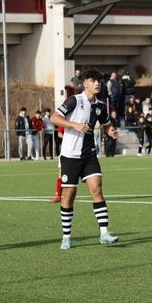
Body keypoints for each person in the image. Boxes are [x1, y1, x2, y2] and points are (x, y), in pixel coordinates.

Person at [51, 68, 120, 249]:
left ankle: (104, 233)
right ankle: (66, 237)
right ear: (85, 83)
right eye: (93, 80)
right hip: (70, 156)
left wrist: (111, 131)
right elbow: (54, 118)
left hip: (89, 154)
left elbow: (106, 124)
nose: (97, 83)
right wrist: (73, 124)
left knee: (96, 190)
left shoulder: (99, 106)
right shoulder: (74, 100)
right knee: (68, 196)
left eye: (99, 80)